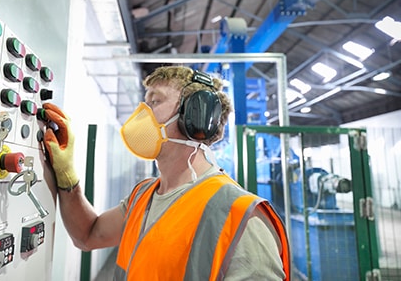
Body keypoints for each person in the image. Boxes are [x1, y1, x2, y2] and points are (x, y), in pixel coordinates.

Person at [42, 66, 291, 280]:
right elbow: (87, 235)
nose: (142, 114)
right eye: (145, 102)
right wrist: (67, 177)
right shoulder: (142, 196)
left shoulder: (240, 216)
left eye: (155, 101)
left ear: (196, 116)